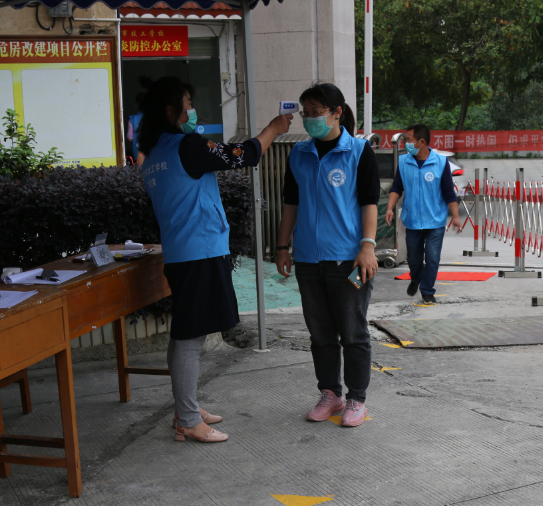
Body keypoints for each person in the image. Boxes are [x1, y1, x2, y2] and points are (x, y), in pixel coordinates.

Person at [139, 76, 292, 443]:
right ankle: (189, 419)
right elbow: (246, 155)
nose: (193, 111)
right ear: (171, 111)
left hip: (182, 251)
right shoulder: (185, 146)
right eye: (188, 104)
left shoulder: (153, 153)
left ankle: (185, 408)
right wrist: (274, 128)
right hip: (201, 251)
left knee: (186, 332)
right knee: (190, 336)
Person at [275, 83, 381, 428]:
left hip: (348, 259)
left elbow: (369, 203)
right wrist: (282, 246)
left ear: (336, 113)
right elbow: (291, 203)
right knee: (320, 332)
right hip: (308, 258)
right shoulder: (299, 154)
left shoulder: (359, 152)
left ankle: (357, 399)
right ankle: (330, 394)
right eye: (306, 113)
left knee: (352, 332)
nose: (309, 119)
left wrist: (367, 246)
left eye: (316, 112)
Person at [385, 124, 463, 304]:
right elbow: (397, 187)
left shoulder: (440, 162)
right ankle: (416, 278)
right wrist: (390, 208)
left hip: (435, 221)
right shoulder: (404, 162)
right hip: (412, 221)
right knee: (414, 258)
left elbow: (448, 192)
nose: (406, 143)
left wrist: (456, 216)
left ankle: (427, 291)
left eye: (409, 140)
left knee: (433, 258)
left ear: (422, 142)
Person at [127, 92, 144, 162]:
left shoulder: (132, 119)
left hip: (138, 154)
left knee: (139, 172)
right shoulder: (154, 118)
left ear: (137, 105)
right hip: (152, 153)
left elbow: (130, 138)